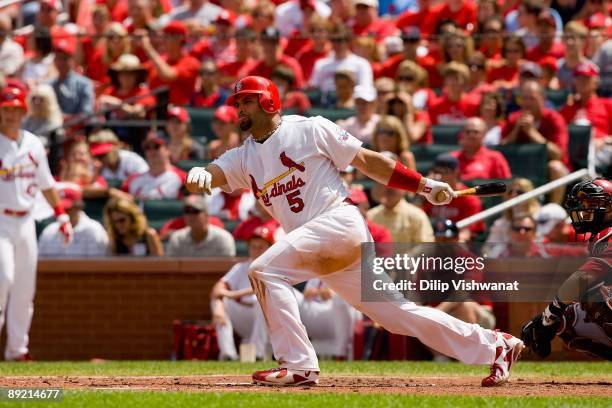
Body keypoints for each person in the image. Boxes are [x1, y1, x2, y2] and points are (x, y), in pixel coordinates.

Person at [186, 75, 524, 387]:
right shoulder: (244, 157)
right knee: (397, 315)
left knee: (262, 270)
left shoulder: (310, 128)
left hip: (337, 223)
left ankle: (299, 365)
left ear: (269, 102)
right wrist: (201, 173)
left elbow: (367, 161)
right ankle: (497, 345)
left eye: (247, 101)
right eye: (238, 104)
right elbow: (217, 170)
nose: (240, 110)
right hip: (322, 246)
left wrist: (422, 185)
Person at [0, 86, 74, 361]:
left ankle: (17, 350)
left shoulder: (32, 143)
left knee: (24, 289)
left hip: (26, 221)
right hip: (0, 220)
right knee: (2, 279)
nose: (11, 114)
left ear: (23, 111)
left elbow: (46, 183)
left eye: (15, 109)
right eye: (6, 109)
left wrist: (62, 214)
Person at [521, 178, 611, 360]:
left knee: (595, 293)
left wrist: (549, 313)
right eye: (584, 204)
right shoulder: (599, 236)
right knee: (565, 320)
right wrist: (551, 318)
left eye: (592, 204)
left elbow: (582, 278)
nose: (585, 210)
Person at [210, 225, 273, 361]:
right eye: (253, 246)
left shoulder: (274, 267)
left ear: (270, 248)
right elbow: (217, 289)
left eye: (261, 246)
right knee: (219, 302)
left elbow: (259, 288)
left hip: (268, 324)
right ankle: (228, 355)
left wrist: (232, 294)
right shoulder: (241, 267)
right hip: (244, 316)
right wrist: (218, 309)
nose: (256, 250)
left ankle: (258, 354)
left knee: (261, 302)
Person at [421, 154, 485, 238]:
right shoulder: (430, 193)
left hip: (458, 241)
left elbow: (466, 233)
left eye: (446, 172)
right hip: (433, 239)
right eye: (437, 172)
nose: (440, 176)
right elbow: (417, 219)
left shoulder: (469, 199)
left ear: (456, 172)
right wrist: (423, 190)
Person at [39, 183, 109, 257]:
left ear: (79, 207)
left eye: (67, 209)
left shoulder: (93, 230)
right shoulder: (49, 231)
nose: (63, 213)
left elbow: (98, 264)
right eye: (61, 209)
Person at [309, 26, 374, 93]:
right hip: (326, 101)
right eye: (334, 40)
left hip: (352, 101)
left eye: (340, 40)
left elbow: (366, 88)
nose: (337, 44)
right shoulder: (321, 64)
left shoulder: (361, 64)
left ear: (348, 41)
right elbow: (314, 87)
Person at [166, 195, 236, 257]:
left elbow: (228, 270)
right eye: (187, 211)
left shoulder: (223, 239)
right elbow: (171, 268)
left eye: (195, 211)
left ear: (206, 214)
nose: (191, 215)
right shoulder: (177, 239)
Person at [119, 137, 186, 200]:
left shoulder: (182, 177)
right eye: (148, 148)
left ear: (167, 150)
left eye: (156, 147)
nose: (152, 151)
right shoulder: (133, 179)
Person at [50, 40, 95, 117]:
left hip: (77, 127)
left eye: (64, 59)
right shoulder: (49, 85)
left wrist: (66, 118)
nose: (60, 63)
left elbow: (86, 112)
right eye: (58, 58)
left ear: (72, 60)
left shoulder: (84, 84)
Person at [21, 84, 63, 148]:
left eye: (41, 99)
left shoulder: (54, 123)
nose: (36, 102)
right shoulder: (25, 121)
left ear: (49, 102)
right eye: (34, 98)